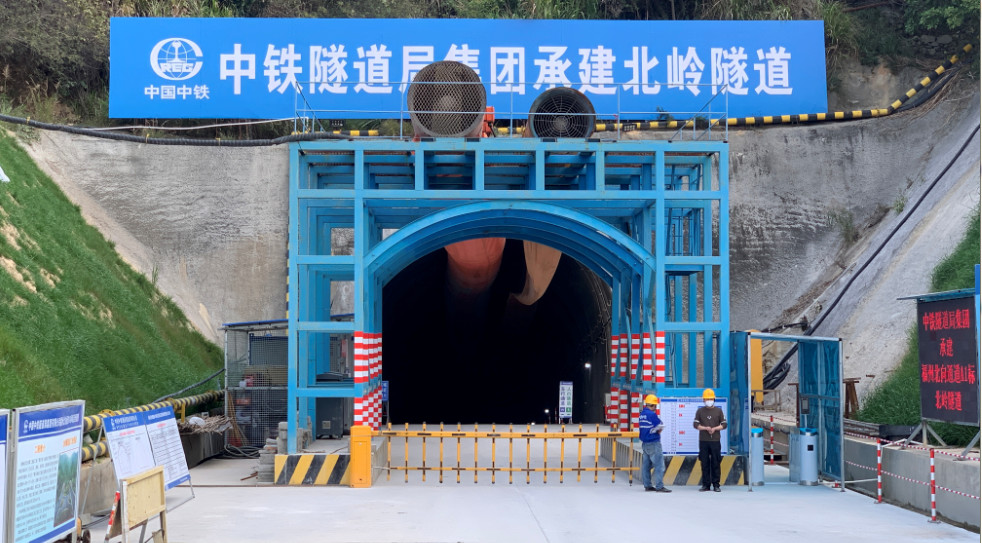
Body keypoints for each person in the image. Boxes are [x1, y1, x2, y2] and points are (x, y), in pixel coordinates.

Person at [693, 388, 727, 492]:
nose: (709, 401)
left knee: (716, 462)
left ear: (714, 399)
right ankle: (706, 484)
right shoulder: (700, 411)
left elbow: (724, 424)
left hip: (715, 441)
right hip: (703, 441)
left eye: (710, 399)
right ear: (703, 400)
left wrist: (715, 429)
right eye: (707, 399)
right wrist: (705, 428)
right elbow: (696, 424)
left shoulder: (718, 411)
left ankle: (716, 484)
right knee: (704, 462)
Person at [639, 394, 671, 492]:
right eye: (655, 406)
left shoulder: (642, 414)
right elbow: (660, 424)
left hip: (645, 444)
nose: (655, 408)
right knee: (659, 465)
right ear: (652, 405)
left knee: (646, 466)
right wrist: (659, 430)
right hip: (653, 443)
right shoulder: (651, 414)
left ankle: (647, 485)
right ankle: (659, 486)